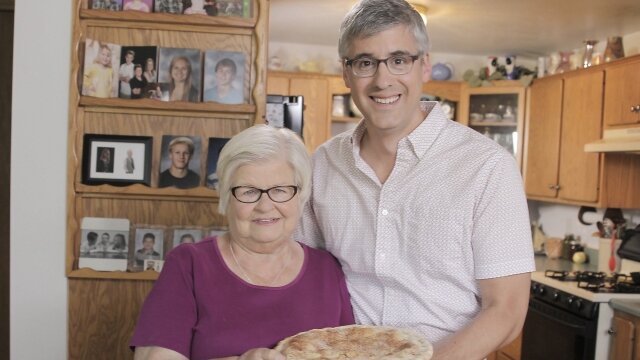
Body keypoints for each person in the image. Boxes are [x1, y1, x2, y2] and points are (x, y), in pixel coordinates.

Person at [293, 1, 535, 359]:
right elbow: (297, 273)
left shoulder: (487, 167)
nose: (382, 80)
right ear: (345, 73)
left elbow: (506, 311)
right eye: (364, 62)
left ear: (424, 66)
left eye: (399, 60)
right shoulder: (324, 163)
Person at [131, 125, 354, 359]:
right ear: (227, 196)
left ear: (301, 195)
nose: (265, 206)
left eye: (280, 190)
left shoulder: (327, 270)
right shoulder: (189, 264)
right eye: (248, 191)